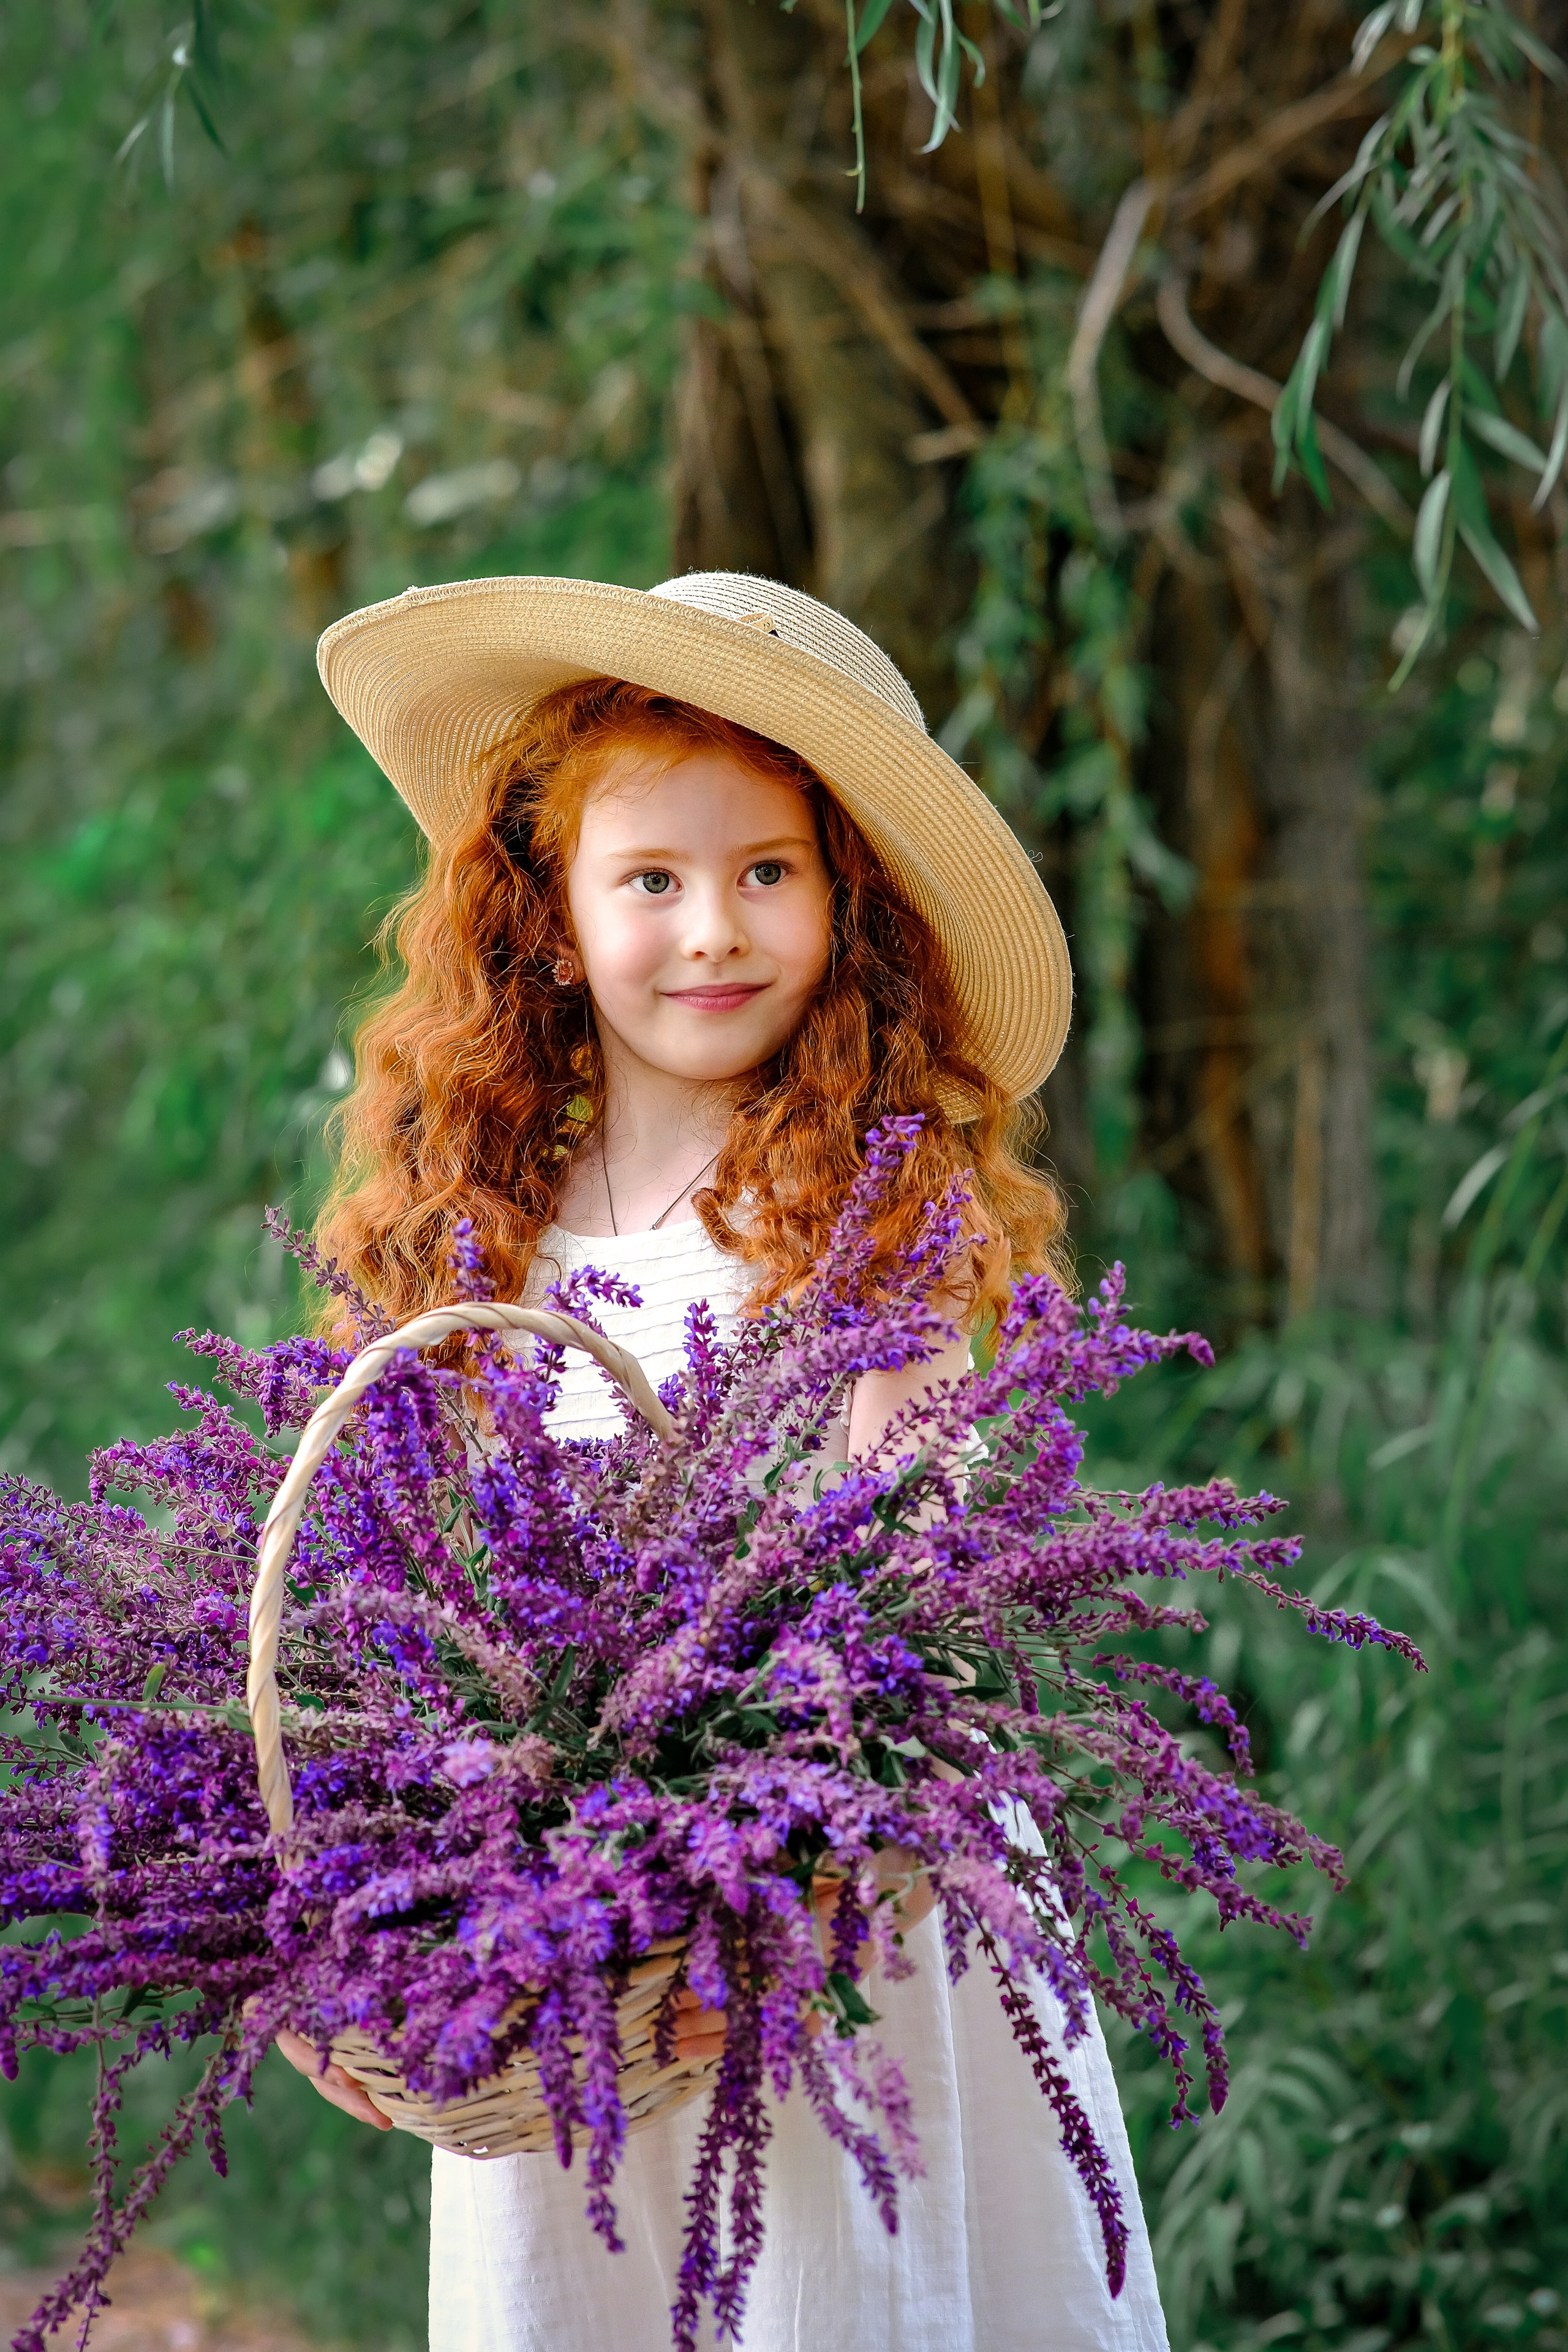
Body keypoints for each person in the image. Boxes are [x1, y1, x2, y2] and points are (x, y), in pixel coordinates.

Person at [276, 570, 1168, 2352]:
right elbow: (375, 1601)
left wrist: (767, 1808)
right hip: (562, 1937)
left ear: (848, 906)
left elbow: (908, 1568)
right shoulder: (480, 1232)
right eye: (653, 881)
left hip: (840, 1897)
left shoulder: (866, 1213)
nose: (713, 931)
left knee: (842, 2291)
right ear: (551, 917)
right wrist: (334, 1938)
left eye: (768, 870)